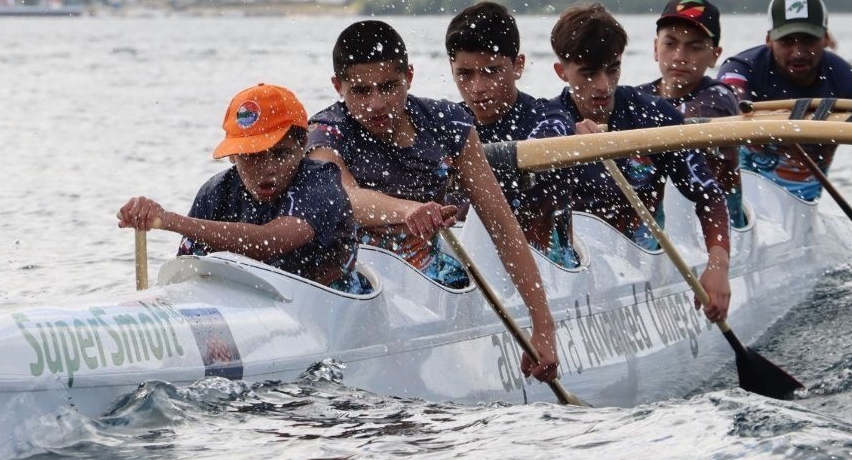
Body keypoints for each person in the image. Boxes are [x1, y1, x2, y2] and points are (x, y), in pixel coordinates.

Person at [306, 20, 559, 381]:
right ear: (337, 86)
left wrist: (543, 328)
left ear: (409, 76)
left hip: (429, 286)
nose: (376, 104)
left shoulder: (449, 124)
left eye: (389, 87)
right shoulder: (325, 131)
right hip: (355, 284)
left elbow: (502, 225)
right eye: (360, 91)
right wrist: (408, 210)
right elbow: (345, 197)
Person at [548, 3, 732, 322]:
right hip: (574, 274)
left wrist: (718, 266)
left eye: (613, 69)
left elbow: (709, 196)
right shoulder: (548, 124)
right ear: (561, 72)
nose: (604, 86)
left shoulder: (657, 117)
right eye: (588, 73)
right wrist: (564, 137)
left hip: (645, 265)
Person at [117, 83, 366, 293]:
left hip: (333, 299)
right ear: (232, 156)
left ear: (302, 145)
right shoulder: (214, 193)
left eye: (281, 153)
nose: (268, 168)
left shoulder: (320, 183)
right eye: (252, 156)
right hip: (254, 303)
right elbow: (187, 271)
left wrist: (167, 220)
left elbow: (269, 241)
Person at [717, 0, 852, 250]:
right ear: (769, 40)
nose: (798, 52)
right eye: (787, 41)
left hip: (799, 213)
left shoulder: (849, 83)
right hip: (739, 205)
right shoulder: (743, 68)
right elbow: (726, 100)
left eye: (808, 40)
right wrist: (743, 115)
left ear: (826, 38)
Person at [445, 1, 579, 267]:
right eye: (465, 74)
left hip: (549, 264)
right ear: (452, 69)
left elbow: (548, 140)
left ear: (518, 66)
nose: (477, 87)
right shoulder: (446, 126)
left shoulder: (550, 117)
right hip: (468, 266)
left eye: (491, 71)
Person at [636, 0, 746, 228]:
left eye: (694, 47)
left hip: (721, 226)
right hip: (662, 227)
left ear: (715, 56)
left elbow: (676, 121)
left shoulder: (720, 98)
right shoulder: (637, 96)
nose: (679, 57)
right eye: (670, 44)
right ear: (656, 48)